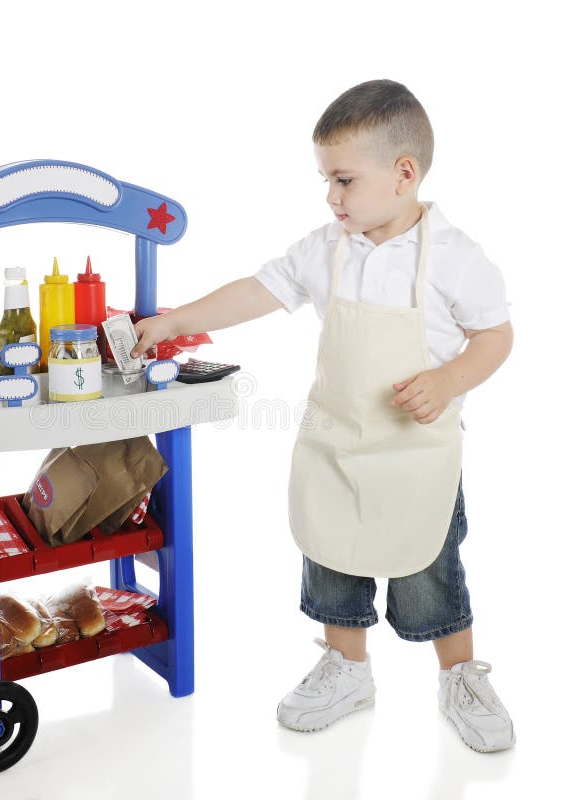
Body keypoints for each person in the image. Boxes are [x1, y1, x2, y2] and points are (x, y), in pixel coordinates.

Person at [130, 79, 515, 753]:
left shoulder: (456, 257)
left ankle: (459, 675)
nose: (331, 198)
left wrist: (450, 377)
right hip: (335, 445)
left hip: (417, 456)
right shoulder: (327, 247)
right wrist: (177, 320)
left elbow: (496, 336)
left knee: (430, 568)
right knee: (331, 555)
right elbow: (259, 290)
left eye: (342, 180)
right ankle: (347, 668)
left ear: (404, 175)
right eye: (325, 181)